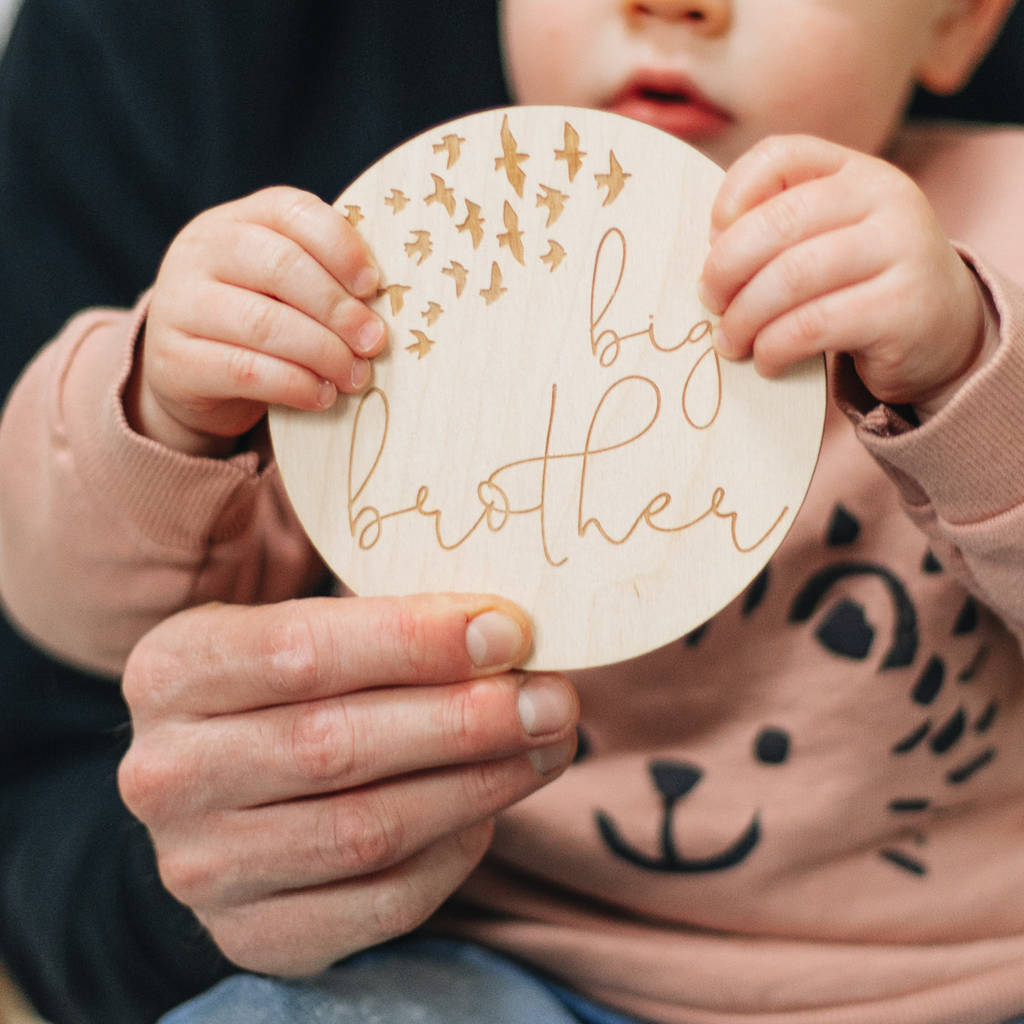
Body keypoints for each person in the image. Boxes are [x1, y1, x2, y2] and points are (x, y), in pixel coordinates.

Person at [2, 1, 1024, 1023]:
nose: (672, 6)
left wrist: (967, 367)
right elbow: (79, 622)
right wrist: (166, 410)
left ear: (957, 25)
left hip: (953, 978)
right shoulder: (424, 258)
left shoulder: (1000, 226)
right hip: (489, 962)